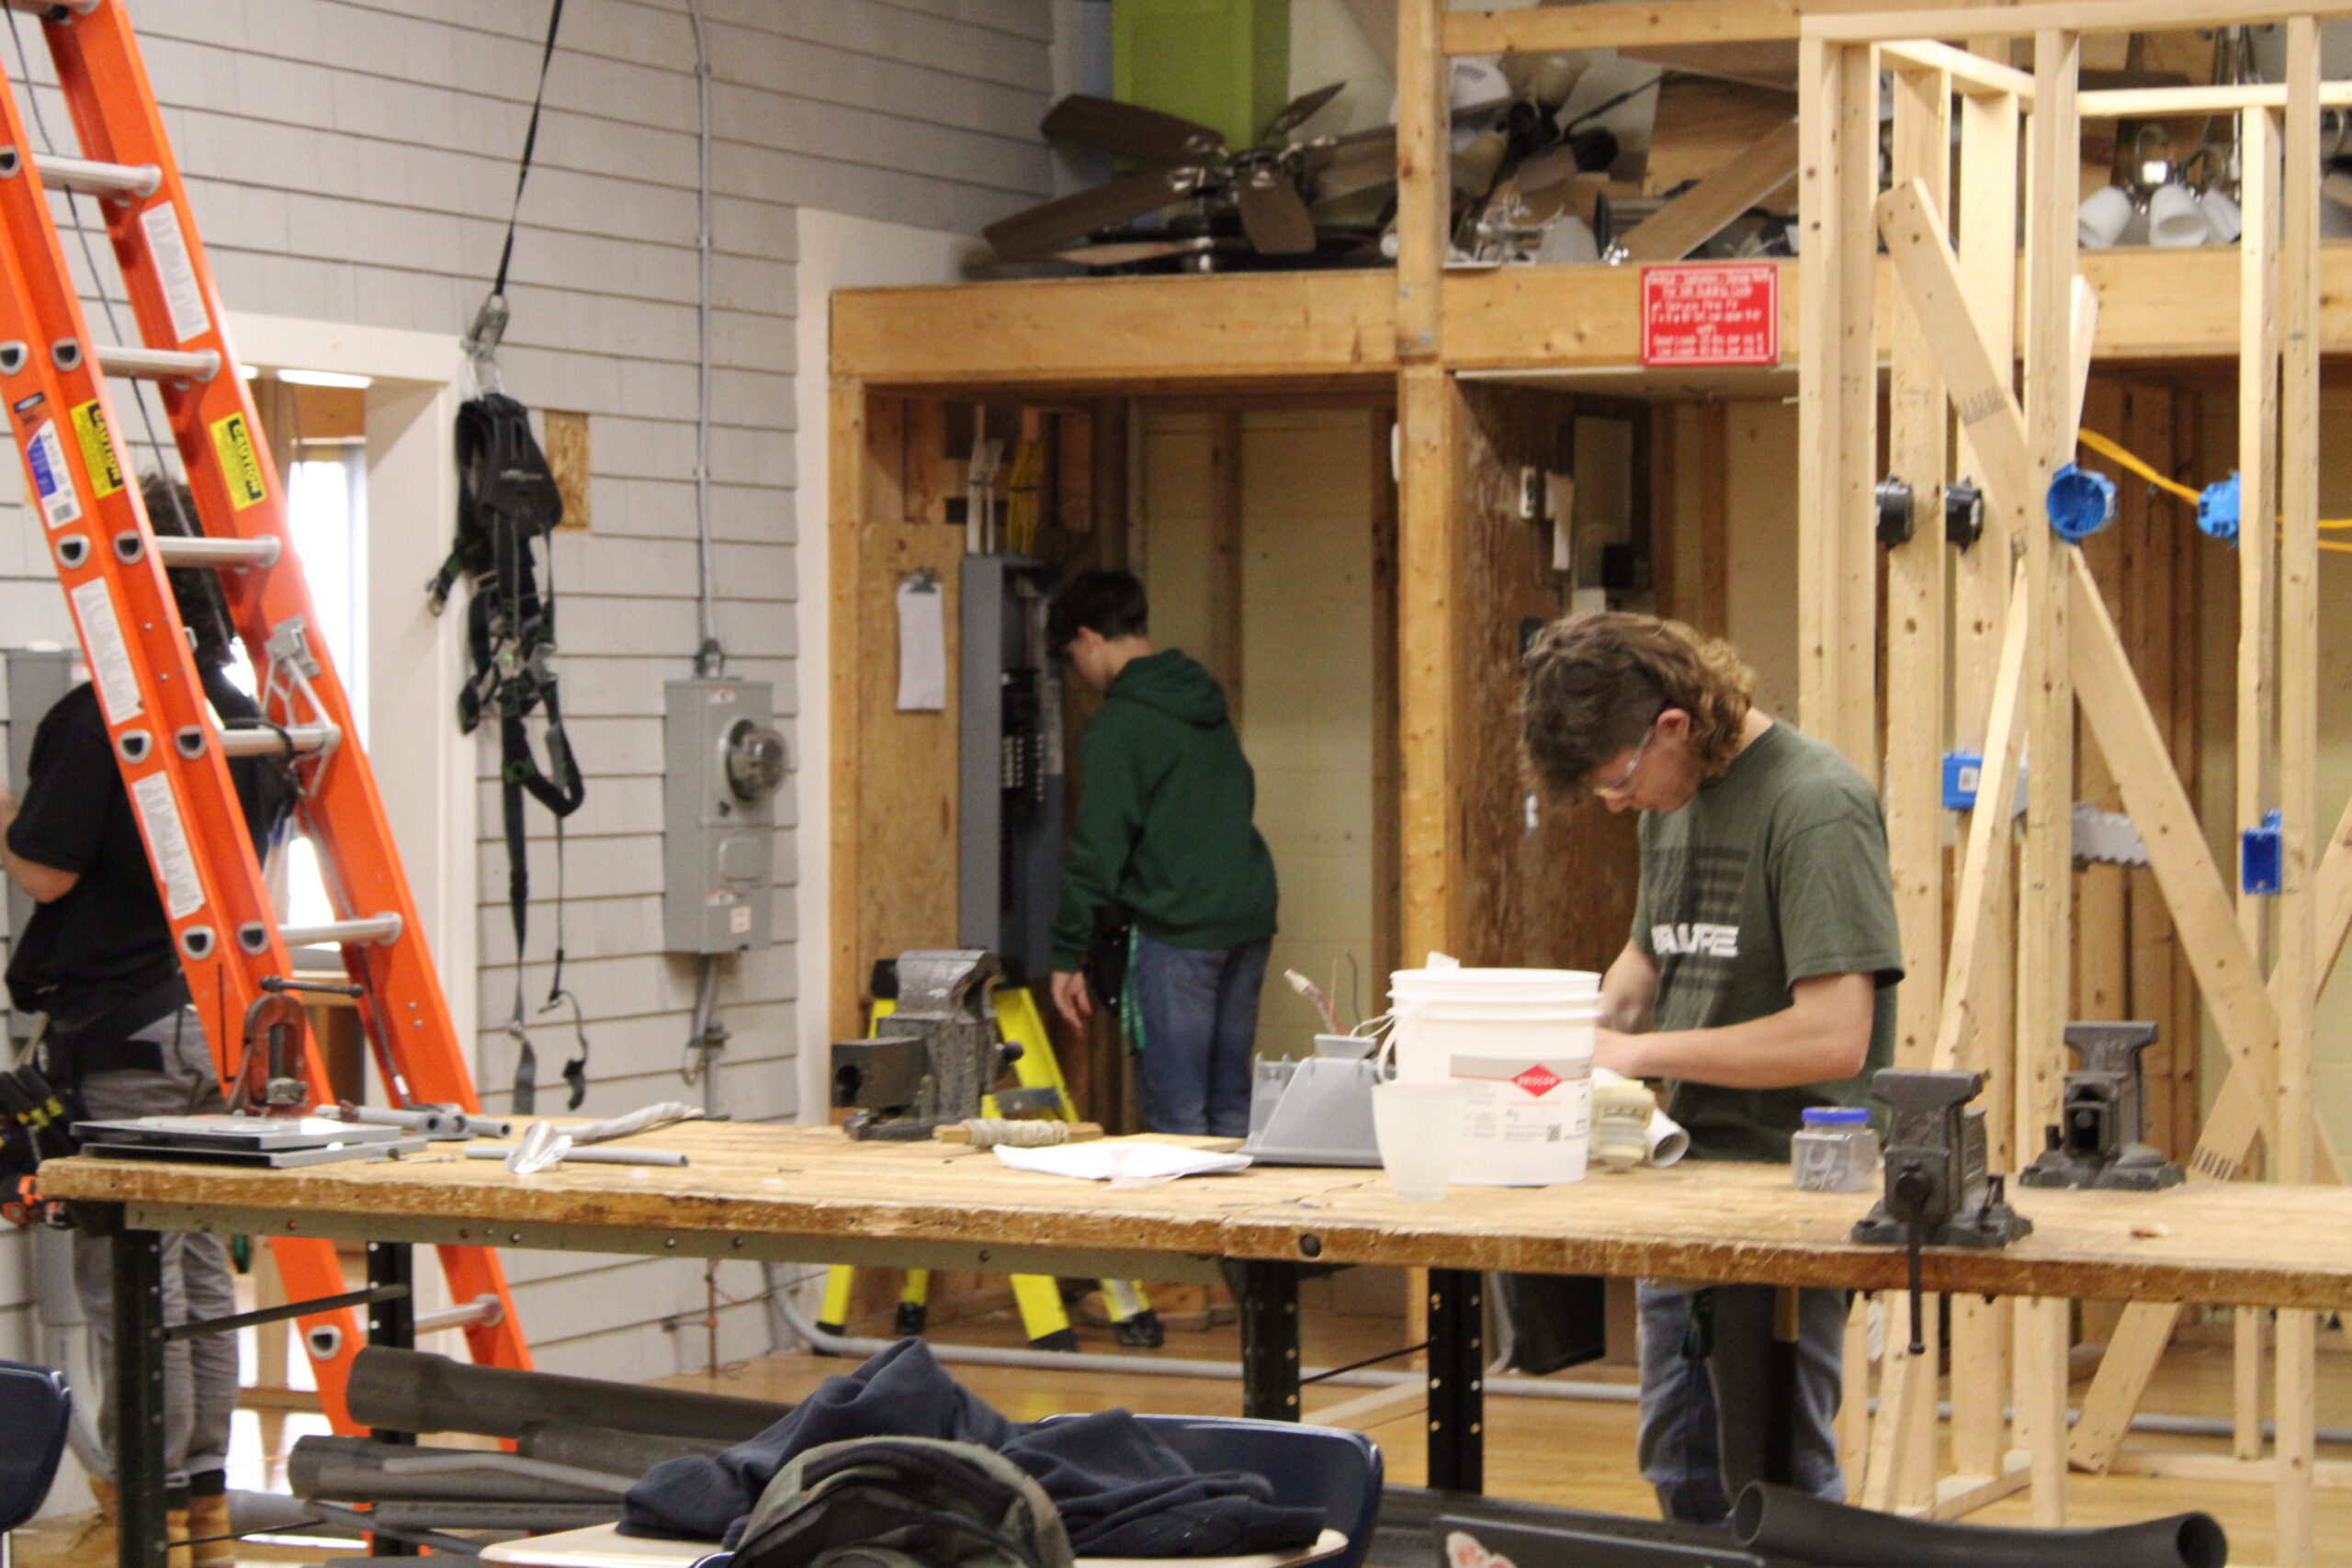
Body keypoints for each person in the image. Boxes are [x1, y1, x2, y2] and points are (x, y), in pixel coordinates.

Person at [1520, 611, 1901, 1526]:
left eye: (1616, 779)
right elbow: (1647, 969)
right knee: (1681, 1463)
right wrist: (1545, 1033)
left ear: (1674, 726)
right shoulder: (1670, 800)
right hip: (1684, 1179)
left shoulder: (1814, 805)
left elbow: (1832, 1036)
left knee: (1780, 1472)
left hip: (1791, 1185)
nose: (1616, 804)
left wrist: (1635, 1053)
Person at [1, 476, 289, 1567]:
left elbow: (46, 872)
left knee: (134, 1274)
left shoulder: (107, 721)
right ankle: (201, 1490)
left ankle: (146, 1499)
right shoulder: (247, 712)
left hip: (126, 1028)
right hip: (215, 1021)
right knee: (200, 1254)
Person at [1044, 570, 1279, 1137]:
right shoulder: (1200, 698)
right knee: (1229, 1105)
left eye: (1072, 653)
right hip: (1245, 917)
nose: (1078, 669)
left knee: (1177, 1119)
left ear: (1088, 637)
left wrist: (1067, 951)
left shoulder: (1121, 724)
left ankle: (1192, 1223)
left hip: (1178, 930)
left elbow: (1099, 848)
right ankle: (1236, 1224)